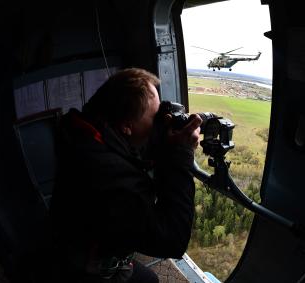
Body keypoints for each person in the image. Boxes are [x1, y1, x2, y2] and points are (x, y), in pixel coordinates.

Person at [49, 68, 202, 282]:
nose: (159, 121)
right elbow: (172, 240)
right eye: (155, 115)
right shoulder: (110, 175)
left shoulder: (87, 133)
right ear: (127, 126)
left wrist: (159, 140)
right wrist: (180, 155)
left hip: (79, 240)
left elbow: (130, 153)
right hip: (86, 269)